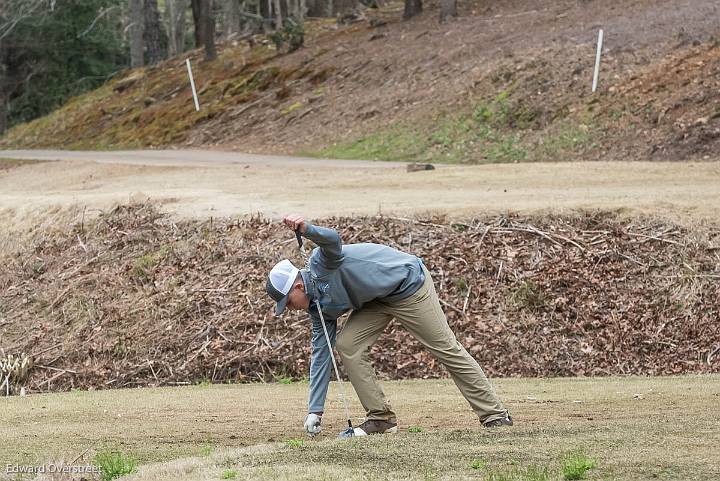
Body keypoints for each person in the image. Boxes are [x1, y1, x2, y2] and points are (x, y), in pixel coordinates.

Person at [265, 214, 512, 437]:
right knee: (347, 344)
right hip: (375, 300)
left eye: (287, 302)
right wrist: (314, 411)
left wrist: (307, 229)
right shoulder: (318, 309)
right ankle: (380, 418)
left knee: (445, 347)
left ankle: (495, 415)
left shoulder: (322, 262)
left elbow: (332, 240)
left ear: (297, 287)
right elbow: (322, 355)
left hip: (409, 286)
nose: (288, 308)